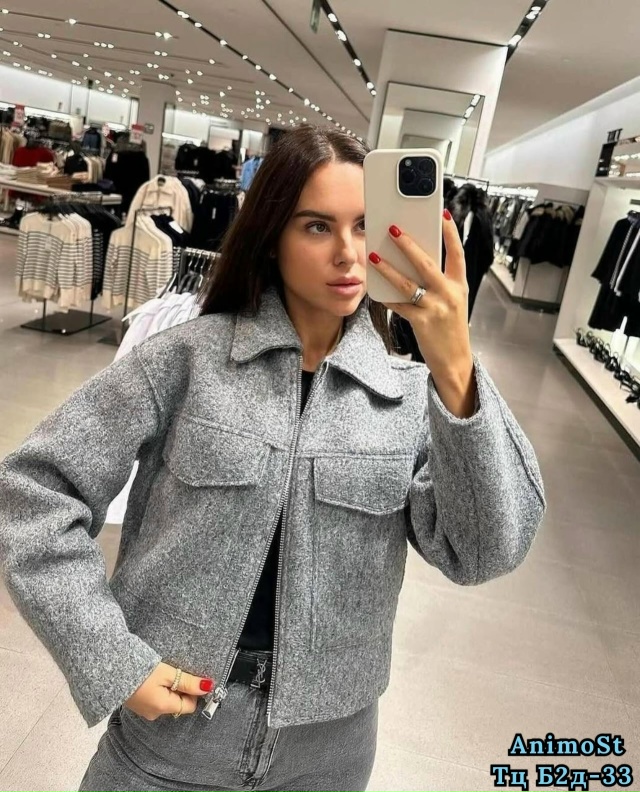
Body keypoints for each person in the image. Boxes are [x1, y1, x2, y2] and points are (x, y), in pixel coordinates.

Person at [0, 126, 545, 792]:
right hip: (173, 737)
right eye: (317, 226)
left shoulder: (409, 397)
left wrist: (455, 365)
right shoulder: (187, 360)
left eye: (366, 226)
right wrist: (111, 659)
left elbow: (483, 551)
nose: (348, 253)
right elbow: (33, 493)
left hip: (329, 752)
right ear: (271, 237)